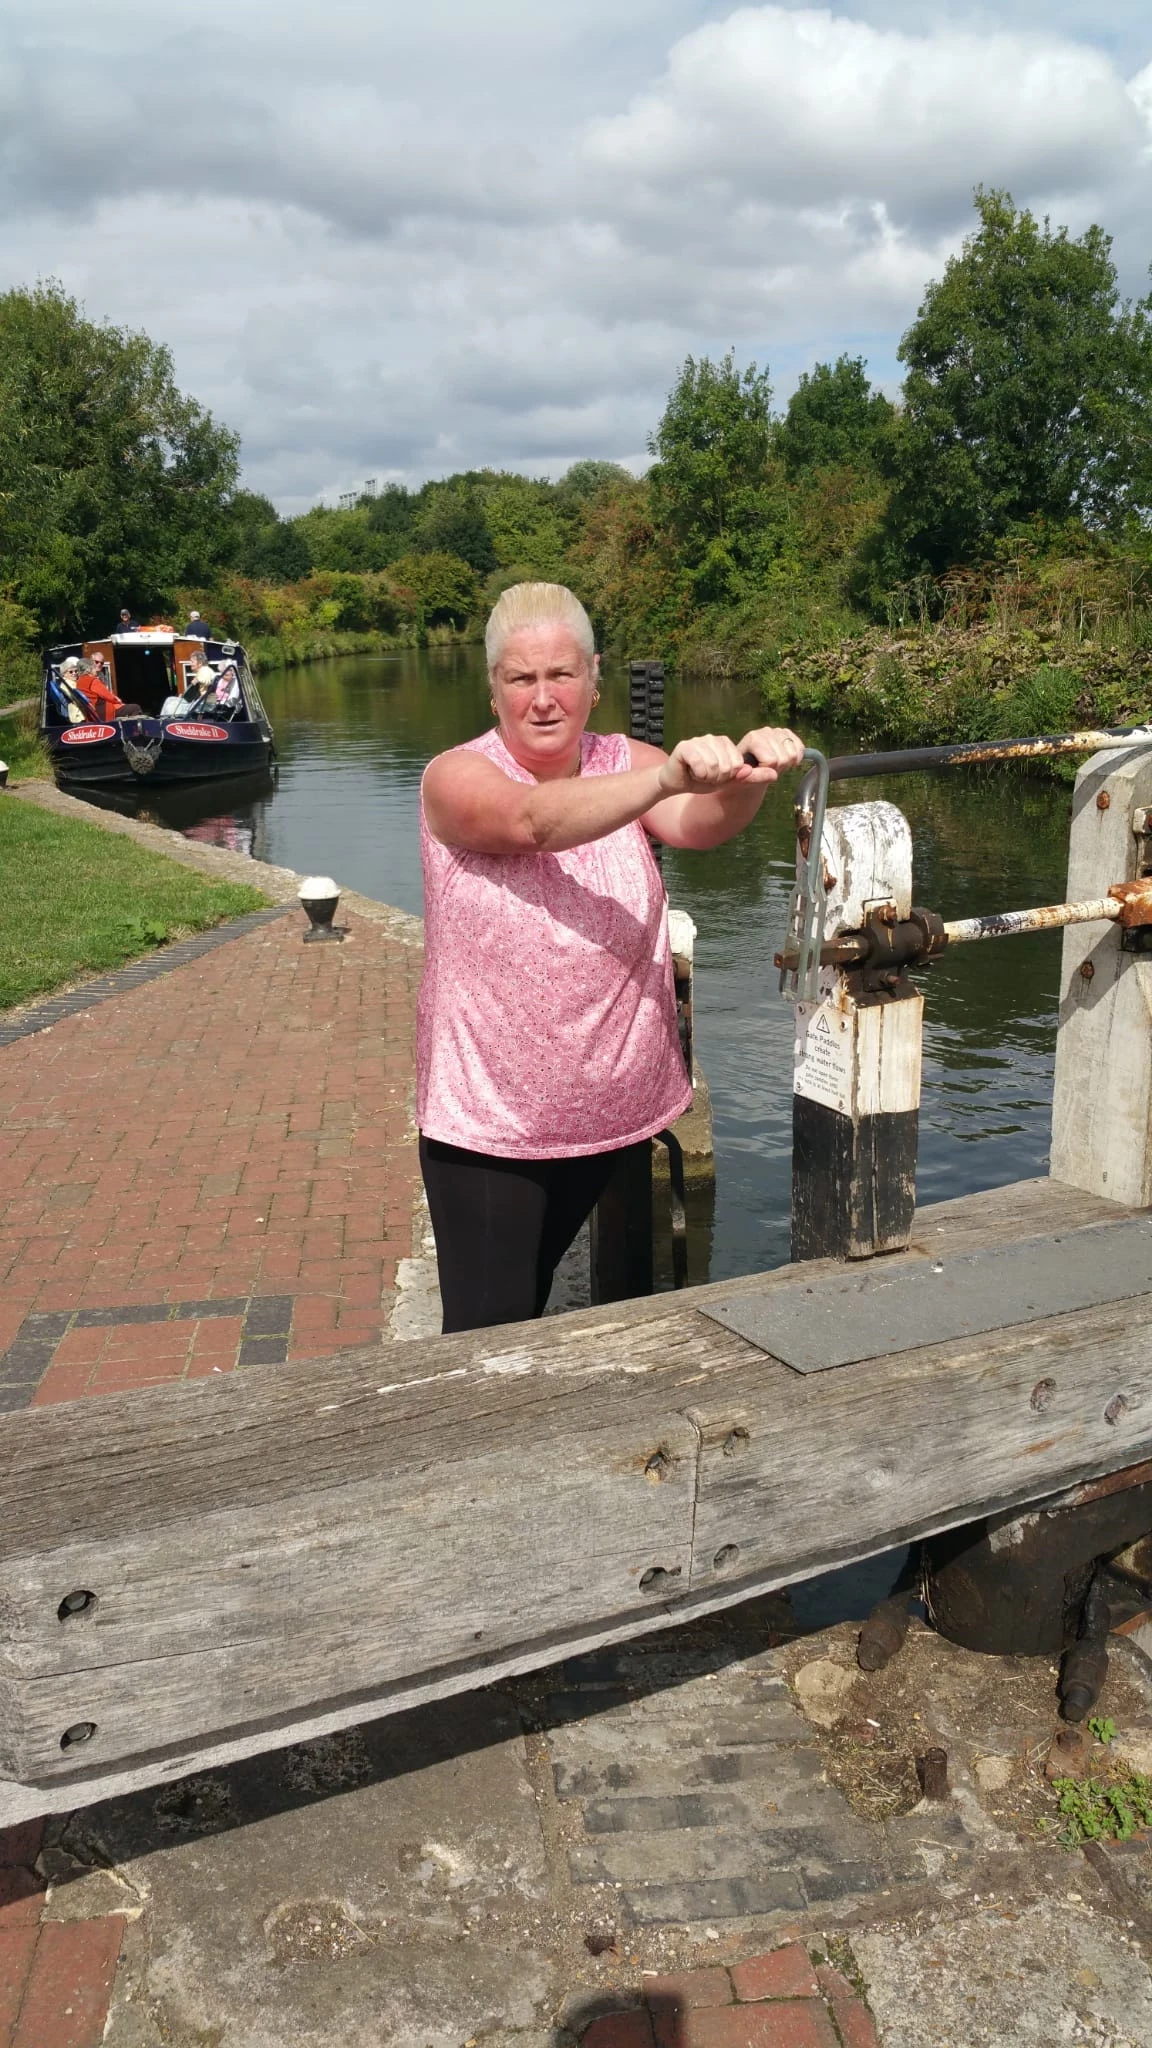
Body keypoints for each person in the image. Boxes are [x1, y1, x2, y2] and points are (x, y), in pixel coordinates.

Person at [417, 580, 806, 1334]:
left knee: (540, 1309)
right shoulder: (453, 775)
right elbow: (532, 822)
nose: (542, 698)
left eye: (560, 674)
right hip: (492, 1121)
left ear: (595, 679)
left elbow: (697, 821)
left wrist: (748, 781)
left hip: (608, 1109)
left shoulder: (623, 757)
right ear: (491, 689)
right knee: (487, 1331)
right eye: (520, 678)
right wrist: (663, 777)